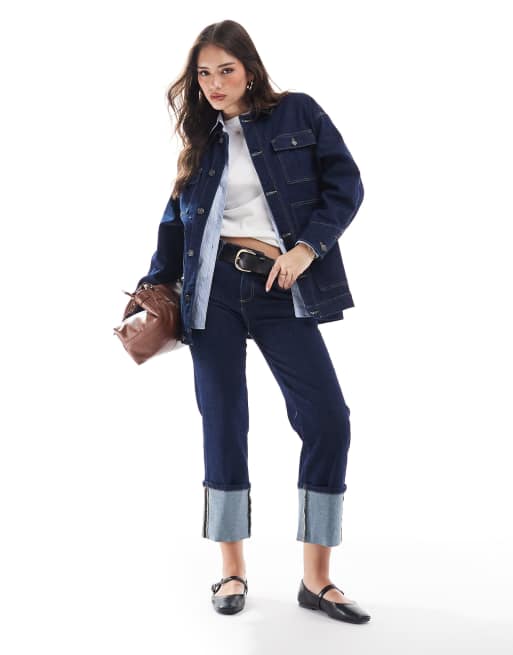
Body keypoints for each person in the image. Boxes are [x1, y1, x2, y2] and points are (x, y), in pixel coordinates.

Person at [133, 19, 370, 623]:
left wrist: (306, 249)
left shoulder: (298, 112)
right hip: (211, 293)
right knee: (224, 422)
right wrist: (150, 291)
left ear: (250, 68)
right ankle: (232, 570)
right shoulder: (203, 141)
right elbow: (175, 223)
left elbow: (345, 185)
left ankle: (317, 579)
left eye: (226, 70)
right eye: (204, 74)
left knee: (327, 420)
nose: (214, 83)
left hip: (279, 285)